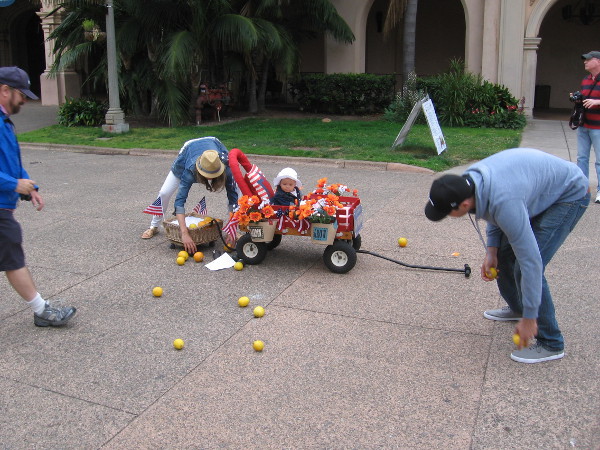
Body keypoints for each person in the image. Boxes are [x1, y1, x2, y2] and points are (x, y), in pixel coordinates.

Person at [425, 148, 589, 364]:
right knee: (503, 255)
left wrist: (530, 317)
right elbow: (491, 211)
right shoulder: (471, 182)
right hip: (532, 189)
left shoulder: (505, 201)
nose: (447, 217)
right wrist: (492, 251)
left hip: (569, 194)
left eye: (446, 213)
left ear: (463, 205)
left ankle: (551, 342)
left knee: (525, 266)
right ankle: (517, 308)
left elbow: (531, 261)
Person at [0, 66, 76, 327]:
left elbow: (10, 160)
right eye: (21, 94)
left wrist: (29, 187)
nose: (24, 100)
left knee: (11, 255)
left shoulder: (4, 121)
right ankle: (42, 310)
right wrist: (13, 184)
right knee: (13, 257)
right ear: (5, 90)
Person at [141, 137, 238, 255]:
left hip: (213, 143)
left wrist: (232, 228)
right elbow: (179, 201)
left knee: (237, 191)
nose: (211, 178)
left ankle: (234, 231)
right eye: (208, 175)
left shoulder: (226, 167)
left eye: (214, 174)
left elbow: (233, 199)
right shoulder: (190, 170)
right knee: (164, 193)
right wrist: (184, 233)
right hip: (189, 150)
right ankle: (154, 226)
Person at [576, 51, 600, 204]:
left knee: (599, 161)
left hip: (598, 127)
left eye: (588, 60)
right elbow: (585, 98)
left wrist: (597, 102)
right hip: (583, 125)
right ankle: (582, 189)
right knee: (582, 158)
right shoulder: (585, 80)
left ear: (597, 61)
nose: (585, 62)